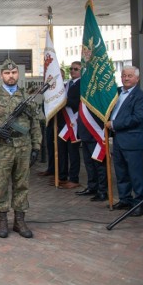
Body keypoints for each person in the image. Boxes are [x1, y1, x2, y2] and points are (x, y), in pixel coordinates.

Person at [0, 59, 42, 238]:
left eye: (13, 73)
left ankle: (19, 221)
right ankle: (2, 220)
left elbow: (35, 123)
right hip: (2, 148)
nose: (10, 76)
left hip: (23, 146)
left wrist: (36, 146)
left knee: (22, 184)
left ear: (18, 74)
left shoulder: (27, 96)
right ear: (1, 75)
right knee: (1, 184)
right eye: (7, 73)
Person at [106, 66, 143, 217]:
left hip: (132, 141)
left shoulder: (141, 96)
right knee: (121, 173)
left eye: (130, 76)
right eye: (124, 75)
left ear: (137, 79)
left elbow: (137, 118)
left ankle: (140, 203)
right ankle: (125, 199)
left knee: (136, 174)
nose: (126, 78)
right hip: (118, 141)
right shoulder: (116, 93)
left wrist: (114, 124)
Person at [56, 61, 81, 189]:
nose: (72, 71)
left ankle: (74, 178)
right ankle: (62, 176)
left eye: (76, 69)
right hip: (63, 122)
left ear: (81, 71)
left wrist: (65, 101)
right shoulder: (67, 84)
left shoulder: (82, 84)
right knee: (62, 151)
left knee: (73, 152)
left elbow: (79, 103)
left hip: (74, 123)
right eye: (71, 69)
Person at [75, 104, 108, 202]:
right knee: (89, 164)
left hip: (95, 134)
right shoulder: (84, 95)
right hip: (85, 133)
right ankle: (92, 187)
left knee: (99, 164)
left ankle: (102, 191)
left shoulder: (96, 95)